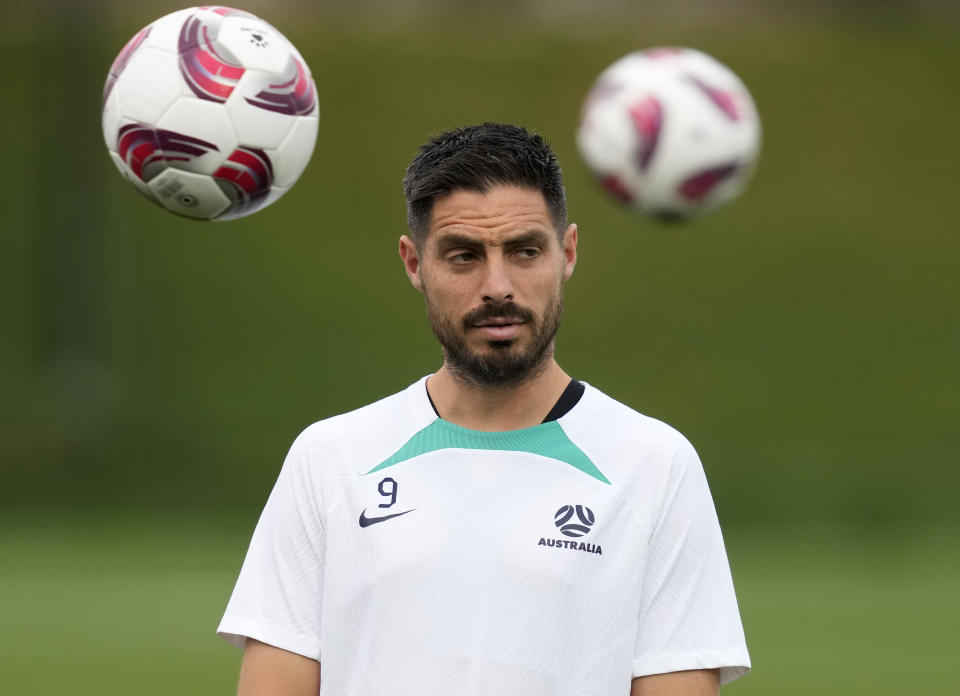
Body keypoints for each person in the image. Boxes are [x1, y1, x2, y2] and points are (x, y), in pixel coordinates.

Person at [217, 123, 750, 695]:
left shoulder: (654, 465)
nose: (498, 286)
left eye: (524, 251)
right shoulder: (329, 459)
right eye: (464, 255)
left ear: (566, 253)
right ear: (414, 263)